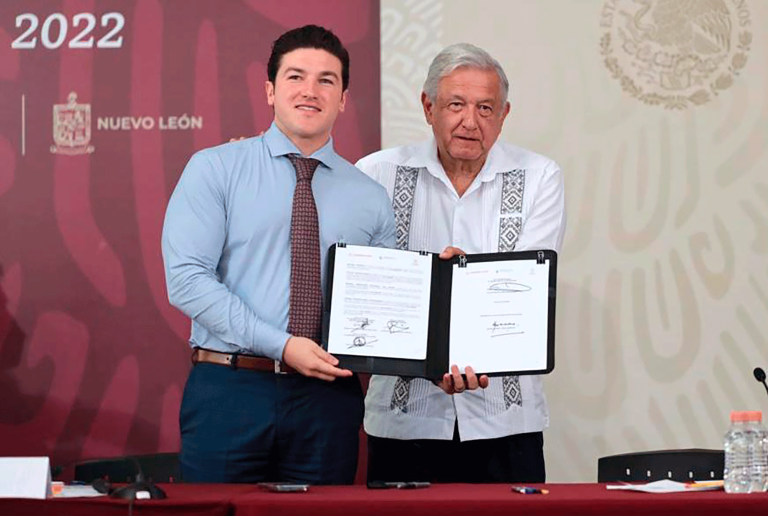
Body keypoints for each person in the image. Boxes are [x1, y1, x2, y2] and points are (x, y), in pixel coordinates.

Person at [161, 25, 396, 485]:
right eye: (295, 77)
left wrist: (441, 293)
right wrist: (282, 345)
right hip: (230, 390)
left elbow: (385, 303)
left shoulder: (371, 197)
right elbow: (187, 279)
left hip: (328, 400)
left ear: (344, 98)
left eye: (327, 80)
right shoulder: (216, 169)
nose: (310, 91)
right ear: (270, 90)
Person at [356, 43, 566, 484]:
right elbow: (368, 289)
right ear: (428, 106)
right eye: (456, 104)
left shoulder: (539, 176)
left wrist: (462, 283)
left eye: (486, 108)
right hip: (403, 420)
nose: (471, 121)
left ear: (505, 114)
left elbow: (527, 287)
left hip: (507, 422)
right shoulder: (375, 173)